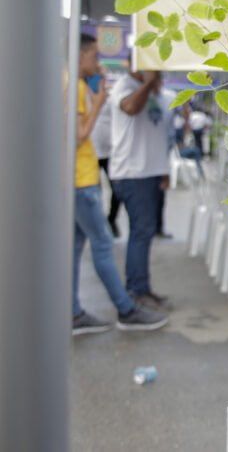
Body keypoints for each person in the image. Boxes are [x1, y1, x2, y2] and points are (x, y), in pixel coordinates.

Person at [72, 34, 167, 334]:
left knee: (78, 246)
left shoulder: (79, 86)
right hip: (96, 176)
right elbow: (80, 134)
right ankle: (127, 305)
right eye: (94, 57)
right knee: (109, 242)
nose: (98, 63)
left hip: (92, 176)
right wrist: (99, 100)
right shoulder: (114, 89)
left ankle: (74, 312)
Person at [109, 69, 174, 310]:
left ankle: (143, 288)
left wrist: (164, 170)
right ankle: (136, 291)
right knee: (140, 232)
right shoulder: (123, 85)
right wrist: (147, 84)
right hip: (132, 173)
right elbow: (131, 108)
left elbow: (160, 133)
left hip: (150, 172)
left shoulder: (156, 90)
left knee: (145, 232)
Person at [90, 69, 122, 237]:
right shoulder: (85, 99)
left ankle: (111, 220)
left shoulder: (110, 101)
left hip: (110, 153)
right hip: (91, 155)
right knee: (94, 193)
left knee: (117, 191)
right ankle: (97, 223)